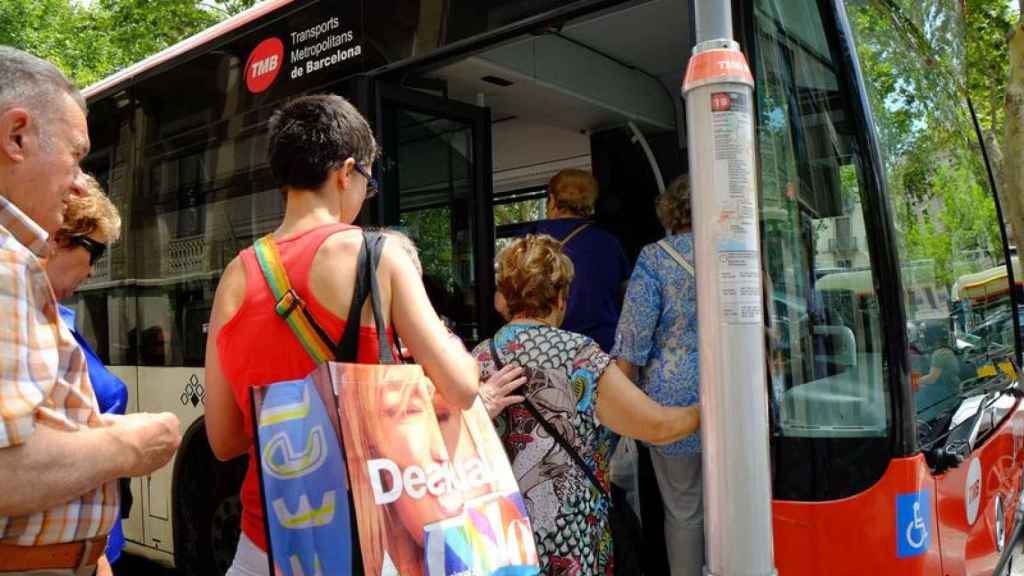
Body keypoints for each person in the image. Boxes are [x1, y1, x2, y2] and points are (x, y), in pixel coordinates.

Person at [204, 94, 480, 576]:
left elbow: (225, 440)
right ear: (344, 171)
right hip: (367, 543)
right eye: (367, 182)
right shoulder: (378, 254)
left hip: (266, 544)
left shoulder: (235, 275)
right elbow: (461, 386)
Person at [0, 45, 181, 574]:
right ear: (17, 136)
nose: (81, 183)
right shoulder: (9, 265)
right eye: (77, 156)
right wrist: (130, 444)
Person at [475, 234, 700, 576]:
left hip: (500, 536)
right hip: (571, 535)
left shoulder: (478, 358)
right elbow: (659, 427)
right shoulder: (580, 357)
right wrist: (706, 412)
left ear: (501, 299)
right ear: (562, 299)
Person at [612, 175, 703, 576]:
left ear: (671, 210)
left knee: (684, 508)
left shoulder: (654, 259)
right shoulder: (734, 252)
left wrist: (618, 405)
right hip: (736, 394)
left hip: (673, 400)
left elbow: (632, 341)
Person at [44, 174, 129, 576]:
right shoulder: (29, 327)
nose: (94, 270)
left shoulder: (60, 322)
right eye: (93, 251)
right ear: (58, 239)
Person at [527, 169, 630, 352]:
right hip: (601, 346)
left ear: (552, 199)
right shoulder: (609, 242)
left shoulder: (531, 239)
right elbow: (627, 297)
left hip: (548, 346)